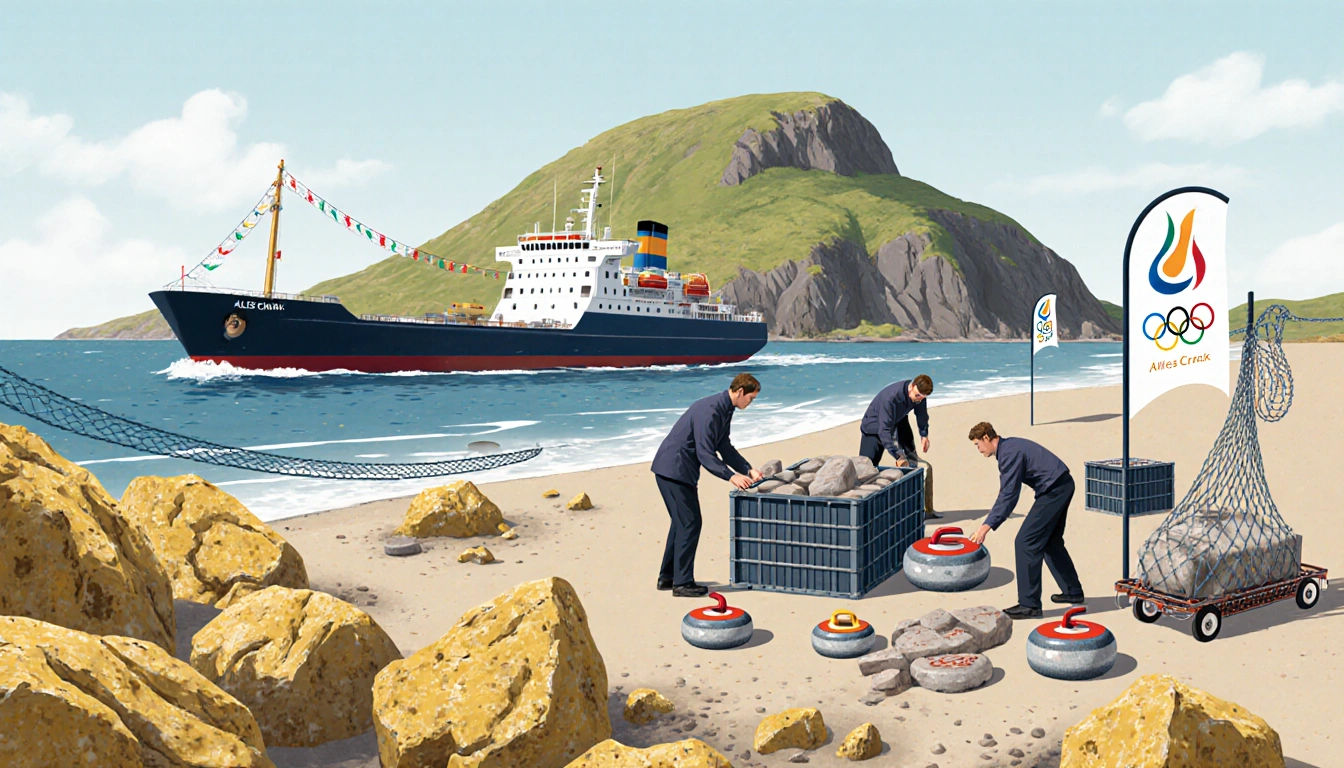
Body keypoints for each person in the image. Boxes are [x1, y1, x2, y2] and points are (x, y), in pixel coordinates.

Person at [650, 373, 764, 597]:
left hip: (679, 471)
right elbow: (705, 453)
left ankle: (668, 577)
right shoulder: (710, 410)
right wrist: (731, 477)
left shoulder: (725, 409)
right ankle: (682, 584)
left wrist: (747, 468)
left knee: (682, 523)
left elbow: (724, 446)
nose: (751, 403)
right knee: (690, 523)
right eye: (751, 398)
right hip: (672, 470)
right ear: (740, 391)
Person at [966, 422, 1083, 619]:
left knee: (1025, 542)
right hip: (1062, 484)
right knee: (1051, 542)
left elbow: (1008, 495)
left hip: (1054, 490)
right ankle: (1073, 592)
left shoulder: (1008, 454)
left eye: (978, 444)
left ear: (987, 437)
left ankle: (1030, 605)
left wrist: (986, 527)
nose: (978, 449)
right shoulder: (1009, 448)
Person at [859, 374, 940, 518]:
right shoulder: (891, 397)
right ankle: (863, 512)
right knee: (866, 471)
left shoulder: (920, 396)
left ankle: (923, 511)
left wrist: (924, 434)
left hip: (899, 422)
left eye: (922, 397)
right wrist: (897, 454)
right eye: (917, 396)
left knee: (913, 464)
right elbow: (883, 430)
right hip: (874, 429)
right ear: (912, 387)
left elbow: (921, 415)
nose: (919, 399)